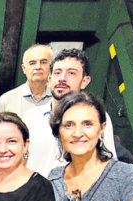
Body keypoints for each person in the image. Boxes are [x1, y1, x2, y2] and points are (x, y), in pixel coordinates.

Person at [22, 48, 116, 176]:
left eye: (71, 73)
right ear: (49, 80)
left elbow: (108, 164)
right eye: (57, 72)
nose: (62, 78)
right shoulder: (30, 117)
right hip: (37, 194)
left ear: (84, 81)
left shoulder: (97, 118)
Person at [0, 44, 53, 117]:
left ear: (51, 67)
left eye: (43, 62)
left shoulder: (59, 99)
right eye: (32, 63)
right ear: (24, 68)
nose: (38, 67)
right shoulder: (7, 100)